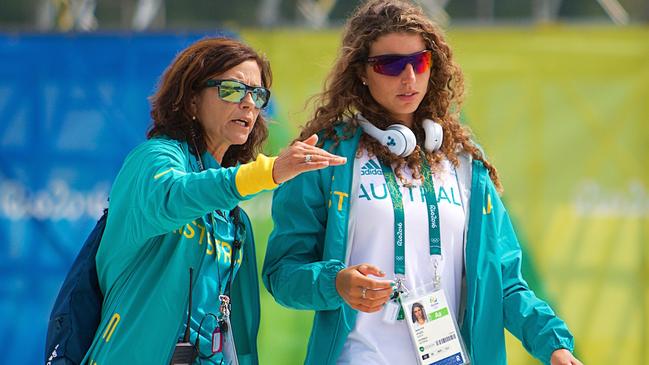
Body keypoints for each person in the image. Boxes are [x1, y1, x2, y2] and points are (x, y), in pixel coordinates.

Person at [262, 1, 582, 365]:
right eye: (390, 65)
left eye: (420, 61)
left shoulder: (464, 158)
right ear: (361, 73)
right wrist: (335, 282)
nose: (409, 77)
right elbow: (282, 273)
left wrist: (554, 345)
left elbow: (505, 282)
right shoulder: (328, 154)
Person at [80, 37, 346, 365]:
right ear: (191, 101)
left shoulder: (234, 219)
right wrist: (268, 172)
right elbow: (173, 197)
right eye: (233, 89)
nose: (249, 103)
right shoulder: (153, 158)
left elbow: (239, 336)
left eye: (257, 95)